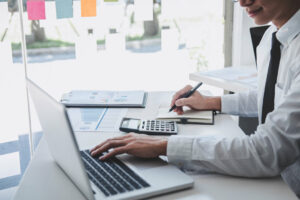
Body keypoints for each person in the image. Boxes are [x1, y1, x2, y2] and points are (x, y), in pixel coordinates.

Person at [91, 0, 300, 196]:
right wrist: (210, 103)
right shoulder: (272, 35)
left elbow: (268, 150)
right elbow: (273, 97)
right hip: (275, 179)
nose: (242, 2)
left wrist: (164, 146)